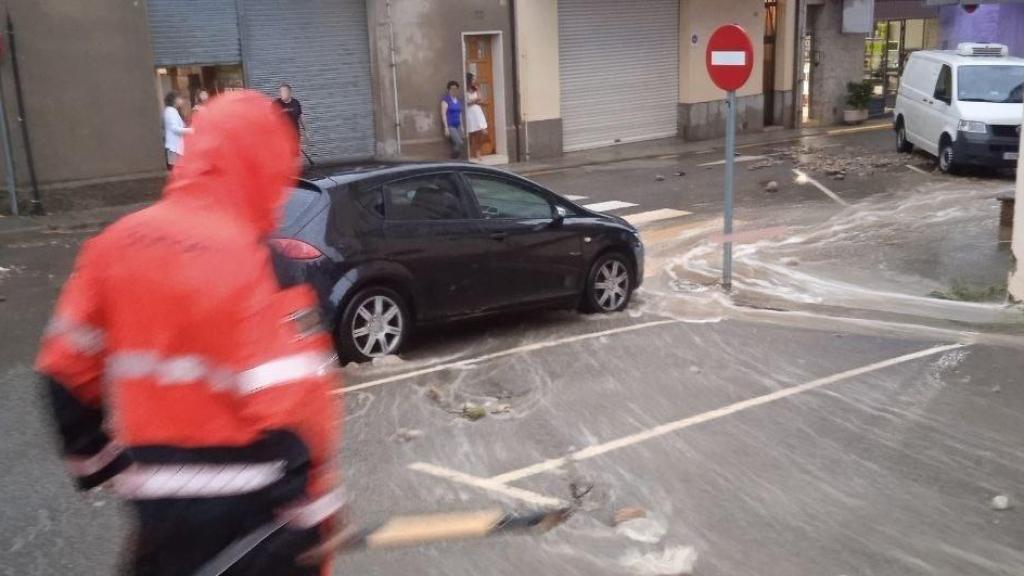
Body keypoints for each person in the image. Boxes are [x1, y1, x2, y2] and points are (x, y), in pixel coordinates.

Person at [37, 91, 344, 576]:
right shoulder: (263, 265)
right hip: (253, 522)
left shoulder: (113, 247)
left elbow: (63, 372)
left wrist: (98, 461)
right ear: (266, 166)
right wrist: (314, 516)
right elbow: (297, 409)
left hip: (157, 512)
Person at [162, 91, 192, 169]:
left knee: (177, 169)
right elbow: (174, 128)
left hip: (175, 147)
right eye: (180, 98)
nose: (181, 101)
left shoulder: (173, 111)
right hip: (173, 148)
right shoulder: (170, 111)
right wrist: (191, 130)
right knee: (176, 169)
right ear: (174, 100)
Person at [465, 73, 488, 161]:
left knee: (481, 132)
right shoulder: (465, 90)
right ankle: (470, 152)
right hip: (469, 113)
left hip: (477, 112)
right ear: (469, 80)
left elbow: (480, 98)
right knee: (471, 133)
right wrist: (475, 100)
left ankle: (478, 152)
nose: (474, 80)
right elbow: (467, 102)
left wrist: (476, 101)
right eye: (473, 79)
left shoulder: (476, 88)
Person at [440, 80, 464, 159]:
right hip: (451, 125)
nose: (454, 91)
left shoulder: (458, 101)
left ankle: (455, 162)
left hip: (458, 125)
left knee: (457, 144)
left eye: (456, 89)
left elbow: (460, 113)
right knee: (459, 142)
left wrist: (462, 126)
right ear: (448, 90)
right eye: (452, 89)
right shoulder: (446, 100)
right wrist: (446, 128)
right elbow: (443, 114)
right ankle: (453, 159)